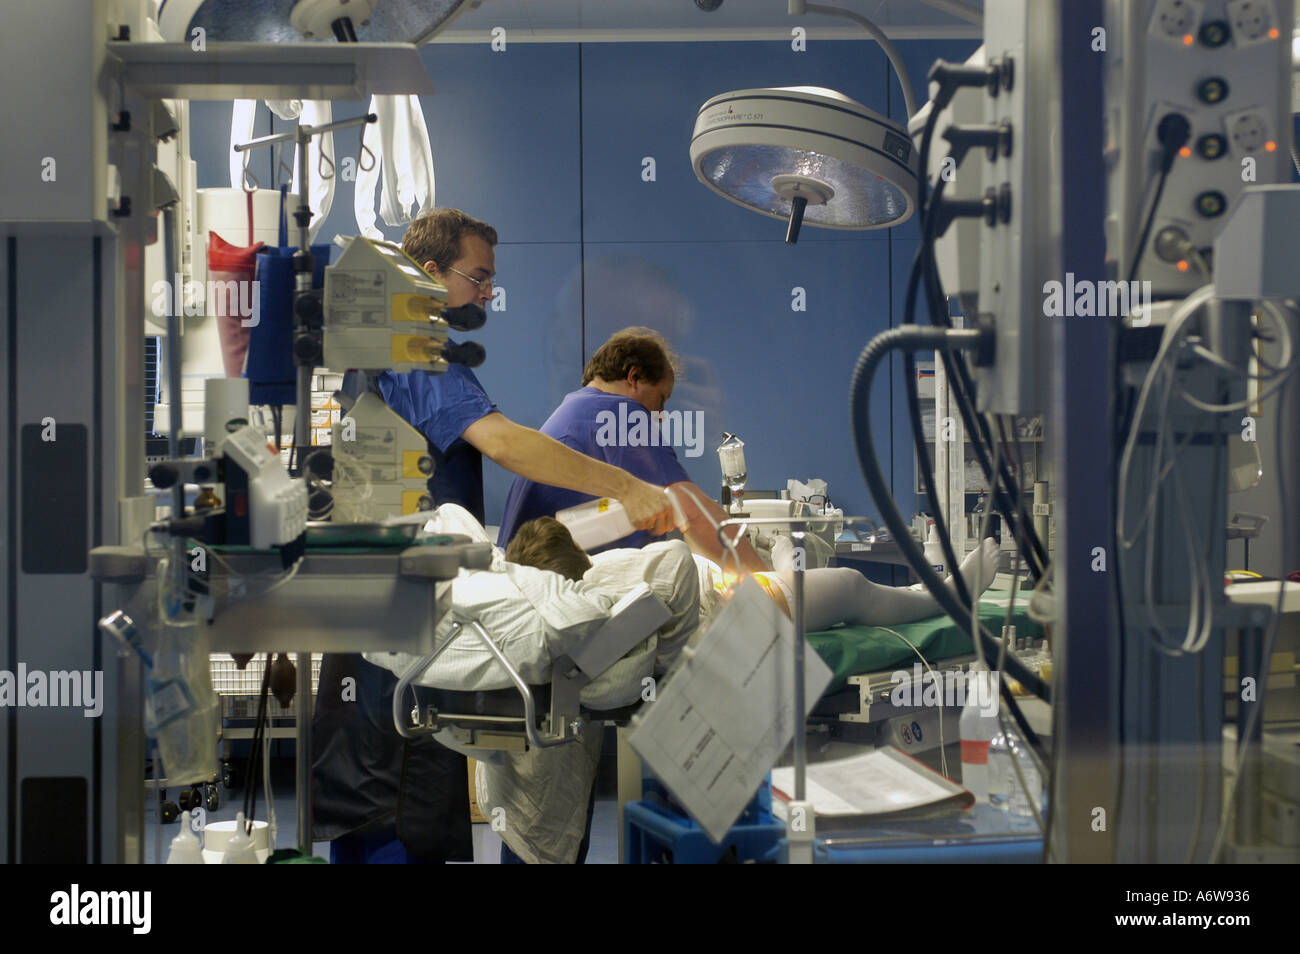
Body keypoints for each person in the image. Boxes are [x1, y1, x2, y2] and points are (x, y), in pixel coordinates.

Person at [311, 210, 674, 865]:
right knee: (390, 802)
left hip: (399, 611)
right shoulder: (408, 348)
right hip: (400, 620)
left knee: (399, 796)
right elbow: (505, 442)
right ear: (428, 275)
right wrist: (624, 487)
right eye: (477, 278)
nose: (487, 294)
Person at [497, 326, 766, 571]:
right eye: (662, 398)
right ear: (634, 376)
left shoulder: (576, 411)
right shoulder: (617, 412)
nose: (660, 413)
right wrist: (773, 586)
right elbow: (693, 512)